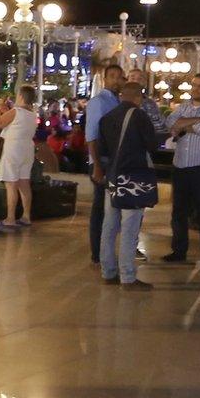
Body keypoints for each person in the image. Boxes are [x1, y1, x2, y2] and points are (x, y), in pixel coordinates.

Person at [97, 85, 158, 290]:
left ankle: (108, 272)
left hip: (113, 176)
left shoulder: (107, 118)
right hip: (133, 178)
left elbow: (103, 149)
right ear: (139, 97)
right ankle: (128, 277)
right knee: (130, 228)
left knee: (110, 225)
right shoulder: (139, 116)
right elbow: (152, 144)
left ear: (122, 96)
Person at [162, 74, 200, 268]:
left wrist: (183, 124)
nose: (197, 89)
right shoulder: (183, 106)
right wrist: (193, 121)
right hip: (180, 165)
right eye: (194, 85)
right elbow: (170, 125)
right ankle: (179, 251)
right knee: (178, 211)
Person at [86, 65, 124, 268]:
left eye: (119, 77)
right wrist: (97, 165)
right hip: (102, 160)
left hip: (113, 160)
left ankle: (104, 251)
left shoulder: (116, 101)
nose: (116, 81)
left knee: (109, 209)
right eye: (112, 77)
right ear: (105, 79)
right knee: (100, 209)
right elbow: (91, 136)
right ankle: (97, 253)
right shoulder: (99, 102)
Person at [0, 85, 38, 228]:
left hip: (13, 149)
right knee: (24, 183)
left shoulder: (16, 111)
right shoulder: (32, 114)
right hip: (27, 149)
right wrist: (7, 111)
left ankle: (10, 218)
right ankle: (26, 216)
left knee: (11, 184)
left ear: (21, 96)